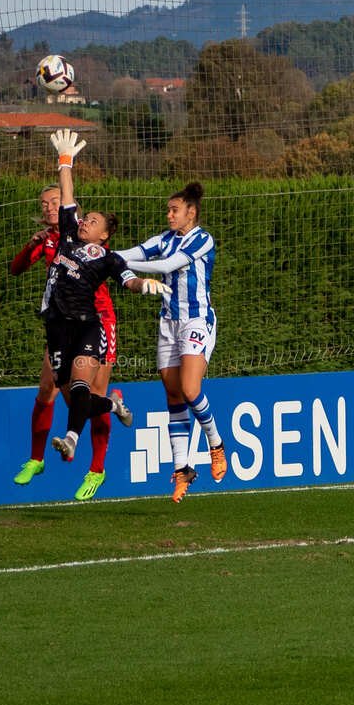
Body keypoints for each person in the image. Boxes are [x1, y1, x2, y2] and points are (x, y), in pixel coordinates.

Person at [42, 128, 169, 473]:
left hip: (86, 327)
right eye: (85, 218)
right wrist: (65, 160)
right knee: (74, 398)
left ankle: (71, 440)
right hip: (55, 328)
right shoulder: (68, 236)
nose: (84, 221)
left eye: (92, 221)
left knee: (81, 386)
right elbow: (68, 196)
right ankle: (112, 405)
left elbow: (128, 280)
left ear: (105, 234)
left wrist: (146, 286)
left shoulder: (109, 258)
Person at [116, 181, 227, 503]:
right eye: (168, 210)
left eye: (174, 210)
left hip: (196, 320)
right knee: (173, 395)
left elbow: (165, 266)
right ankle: (182, 469)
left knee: (191, 389)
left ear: (190, 213)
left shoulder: (202, 239)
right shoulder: (163, 239)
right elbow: (130, 253)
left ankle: (216, 443)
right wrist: (100, 255)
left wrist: (118, 264)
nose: (169, 215)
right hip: (168, 324)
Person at [9, 184, 121, 500]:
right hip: (62, 323)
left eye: (54, 201)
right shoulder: (48, 241)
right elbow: (15, 269)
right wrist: (30, 244)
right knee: (51, 389)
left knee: (91, 394)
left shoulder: (82, 238)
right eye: (43, 203)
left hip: (97, 321)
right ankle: (36, 459)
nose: (47, 208)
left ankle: (97, 470)